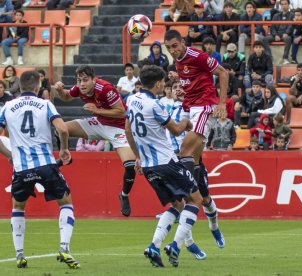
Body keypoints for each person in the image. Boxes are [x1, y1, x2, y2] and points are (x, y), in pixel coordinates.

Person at [0, 70, 80, 269]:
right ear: (38, 86)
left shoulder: (7, 106)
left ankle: (19, 255)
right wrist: (64, 149)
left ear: (19, 87)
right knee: (65, 202)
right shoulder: (45, 104)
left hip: (21, 168)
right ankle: (64, 247)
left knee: (18, 207)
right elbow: (62, 129)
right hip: (45, 164)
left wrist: (10, 155)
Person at [124, 65, 201, 268]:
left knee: (177, 204)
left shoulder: (131, 100)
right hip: (166, 162)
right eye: (163, 83)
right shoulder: (154, 105)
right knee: (195, 199)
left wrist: (138, 156)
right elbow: (176, 130)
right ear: (158, 83)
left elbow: (128, 130)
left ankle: (154, 246)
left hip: (149, 167)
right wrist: (186, 122)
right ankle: (175, 246)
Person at [164, 30, 227, 257]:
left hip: (204, 107)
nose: (173, 51)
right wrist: (179, 81)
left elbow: (223, 72)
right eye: (169, 48)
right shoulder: (179, 63)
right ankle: (210, 228)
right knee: (203, 194)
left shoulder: (196, 55)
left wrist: (221, 103)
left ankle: (179, 203)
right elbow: (192, 80)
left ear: (182, 42)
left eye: (175, 46)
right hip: (190, 109)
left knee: (183, 153)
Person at [54, 65, 138, 217]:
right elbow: (66, 97)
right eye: (79, 80)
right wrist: (60, 90)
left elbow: (122, 112)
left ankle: (124, 195)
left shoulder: (105, 88)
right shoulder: (80, 87)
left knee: (130, 166)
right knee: (61, 128)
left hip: (118, 128)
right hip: (99, 123)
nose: (82, 84)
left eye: (85, 80)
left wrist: (97, 110)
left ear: (94, 79)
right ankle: (64, 156)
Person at [263, 0, 293, 64]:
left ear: (288, 5)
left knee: (288, 39)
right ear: (280, 5)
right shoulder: (276, 15)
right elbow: (272, 27)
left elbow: (291, 26)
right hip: (276, 34)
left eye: (285, 4)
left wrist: (287, 33)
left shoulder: (292, 15)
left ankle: (285, 58)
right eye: (282, 4)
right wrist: (275, 35)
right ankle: (270, 58)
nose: (284, 6)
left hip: (285, 34)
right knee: (264, 39)